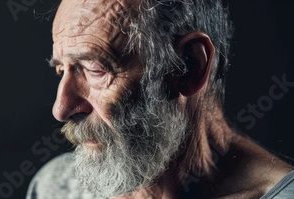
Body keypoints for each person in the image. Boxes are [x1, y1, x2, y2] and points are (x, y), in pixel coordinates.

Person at [26, 0, 294, 198]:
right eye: (61, 70)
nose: (61, 108)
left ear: (188, 67)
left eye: (96, 69)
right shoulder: (57, 187)